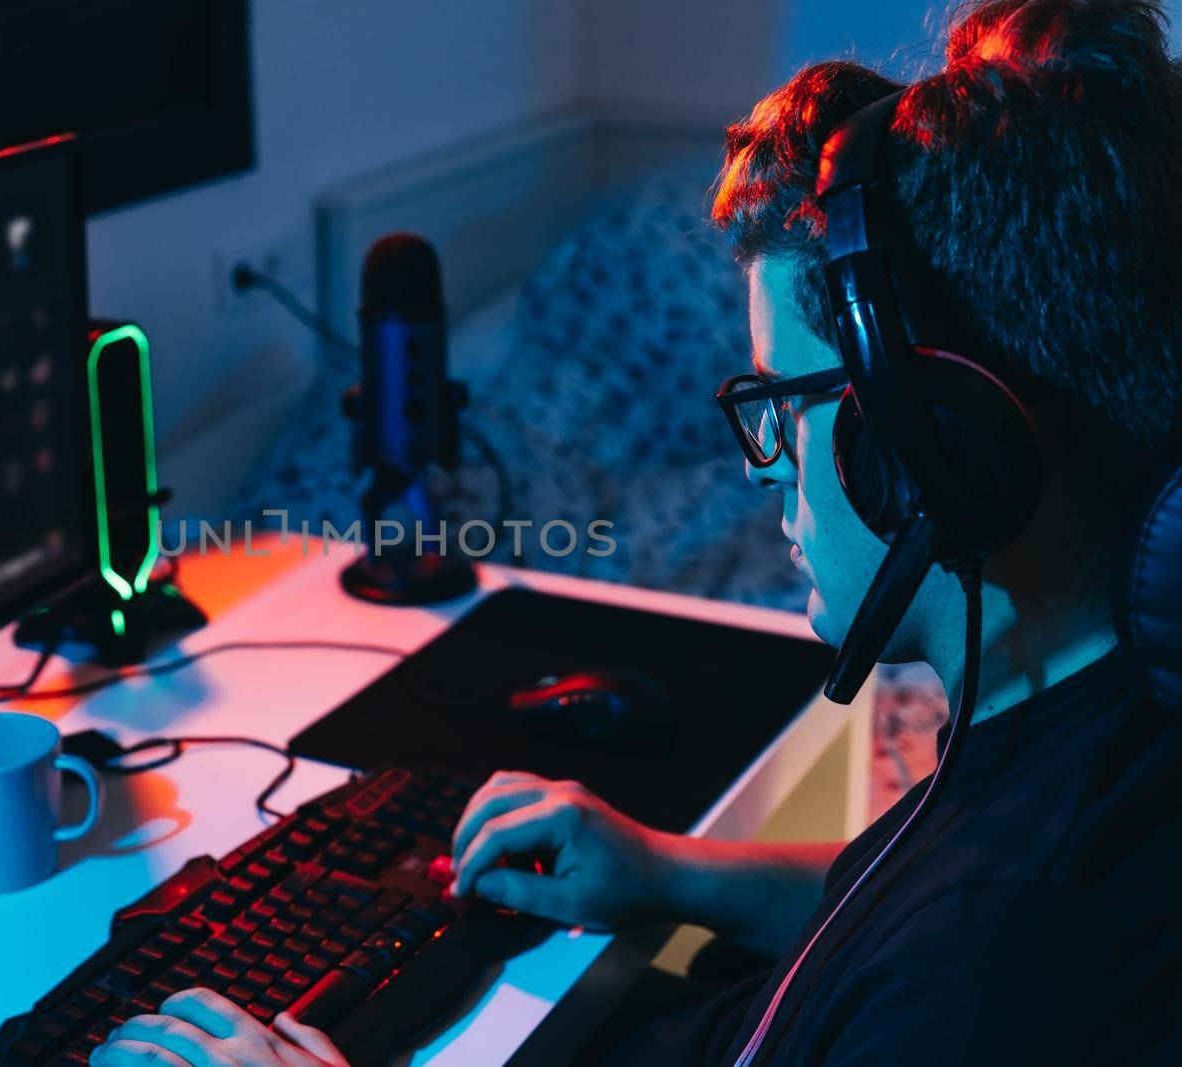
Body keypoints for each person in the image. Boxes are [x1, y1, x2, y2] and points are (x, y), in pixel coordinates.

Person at [92, 1, 1182, 1063]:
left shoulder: (1001, 971)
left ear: (937, 443)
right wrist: (673, 869)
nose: (766, 476)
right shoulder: (1087, 716)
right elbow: (888, 902)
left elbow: (940, 950)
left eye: (775, 406)